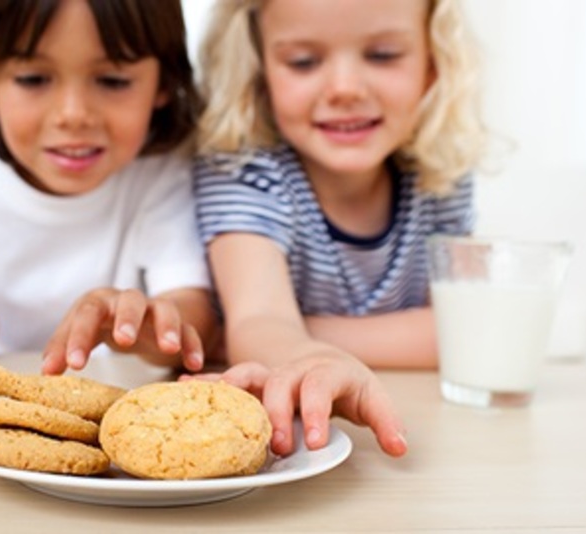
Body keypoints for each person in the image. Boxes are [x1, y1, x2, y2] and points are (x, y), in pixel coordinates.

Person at [190, 0, 487, 453]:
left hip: (427, 428)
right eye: (303, 62)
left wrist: (301, 331)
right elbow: (258, 321)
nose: (345, 88)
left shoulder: (439, 175)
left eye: (383, 55)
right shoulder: (246, 172)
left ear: (433, 64)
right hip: (304, 438)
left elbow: (464, 328)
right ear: (258, 72)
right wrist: (312, 356)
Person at [0, 0, 216, 373]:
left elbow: (194, 318)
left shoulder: (163, 175)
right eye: (33, 79)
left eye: (113, 80)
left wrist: (142, 328)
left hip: (107, 398)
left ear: (164, 83)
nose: (73, 114)